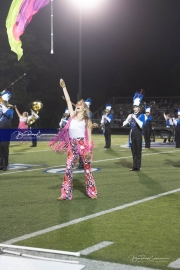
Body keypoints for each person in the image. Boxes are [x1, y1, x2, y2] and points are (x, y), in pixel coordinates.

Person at [49, 79, 97, 200]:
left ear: (84, 109)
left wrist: (89, 150)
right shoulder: (72, 116)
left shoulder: (87, 121)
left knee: (87, 170)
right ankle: (65, 194)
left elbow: (90, 138)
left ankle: (92, 192)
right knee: (68, 169)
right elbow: (69, 102)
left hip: (83, 145)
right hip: (72, 145)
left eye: (79, 106)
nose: (77, 107)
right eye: (77, 106)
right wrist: (64, 87)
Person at [123, 91, 145, 171]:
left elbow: (141, 125)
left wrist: (135, 118)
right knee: (133, 151)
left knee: (138, 151)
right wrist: (128, 120)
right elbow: (123, 124)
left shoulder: (142, 115)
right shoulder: (130, 115)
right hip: (132, 135)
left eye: (136, 107)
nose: (134, 108)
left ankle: (138, 166)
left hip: (138, 134)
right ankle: (134, 166)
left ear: (139, 108)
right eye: (134, 107)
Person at [0, 90, 14, 171]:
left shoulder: (9, 108)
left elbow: (10, 115)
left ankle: (5, 165)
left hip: (5, 129)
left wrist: (3, 105)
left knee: (4, 147)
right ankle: (0, 163)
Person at [78, 98, 92, 169]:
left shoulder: (88, 113)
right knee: (80, 149)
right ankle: (81, 163)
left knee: (84, 148)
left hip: (85, 134)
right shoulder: (81, 112)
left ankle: (84, 163)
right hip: (80, 133)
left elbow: (88, 122)